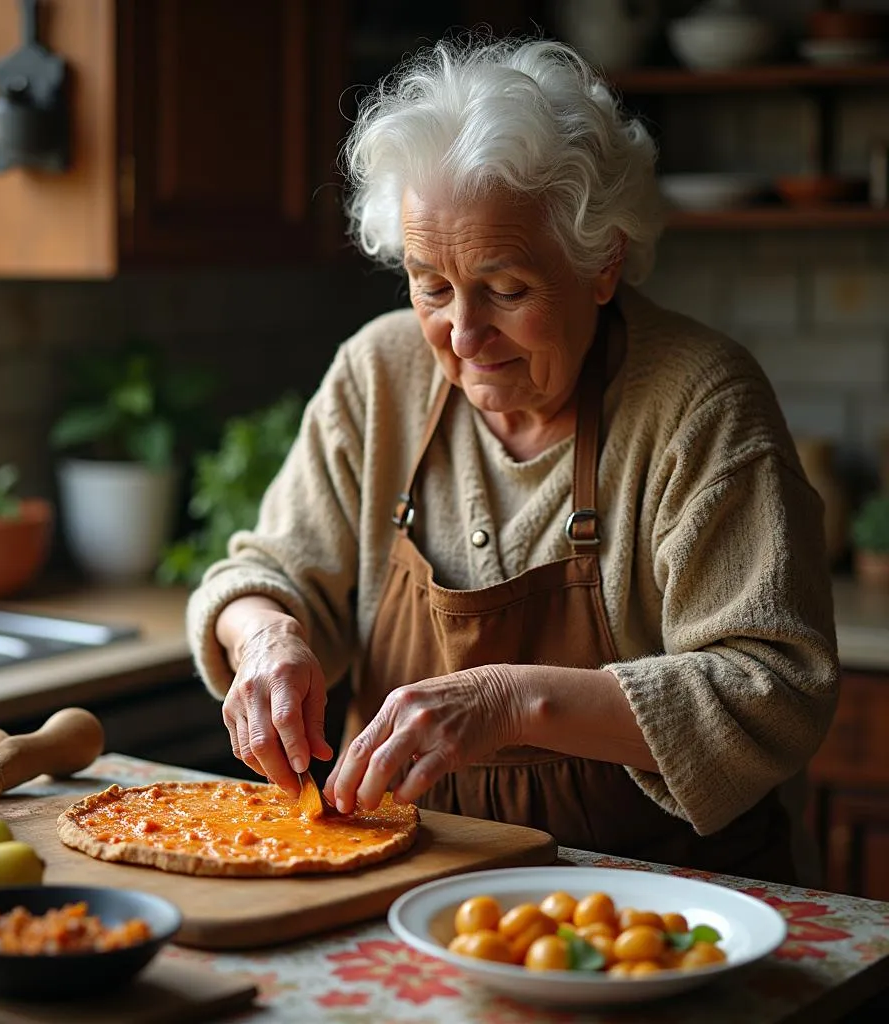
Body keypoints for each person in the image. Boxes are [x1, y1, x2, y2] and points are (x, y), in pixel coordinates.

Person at [186, 36, 839, 883]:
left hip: (653, 908)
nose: (462, 334)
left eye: (506, 289)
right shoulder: (380, 373)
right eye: (430, 284)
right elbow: (267, 571)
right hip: (397, 886)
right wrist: (269, 637)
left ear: (600, 262)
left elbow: (773, 687)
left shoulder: (697, 401)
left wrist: (509, 703)